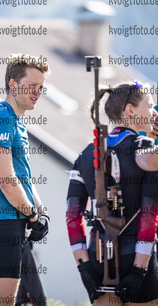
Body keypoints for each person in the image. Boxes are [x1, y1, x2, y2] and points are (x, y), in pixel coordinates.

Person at [66, 82, 158, 305]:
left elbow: (72, 217)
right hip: (139, 261)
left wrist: (84, 268)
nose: (154, 113)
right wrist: (138, 272)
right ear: (130, 111)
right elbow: (148, 216)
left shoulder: (87, 153)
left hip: (98, 262)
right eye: (151, 106)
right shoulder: (145, 148)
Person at [0, 54, 50, 306]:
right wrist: (32, 215)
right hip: (2, 222)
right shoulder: (1, 117)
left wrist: (41, 212)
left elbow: (23, 178)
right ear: (12, 84)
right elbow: (6, 179)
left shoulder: (14, 120)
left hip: (8, 222)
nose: (37, 92)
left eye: (41, 87)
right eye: (31, 86)